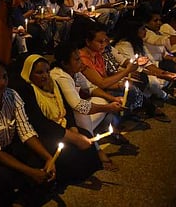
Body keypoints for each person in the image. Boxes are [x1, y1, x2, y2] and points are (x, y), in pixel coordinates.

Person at [0, 58, 56, 207]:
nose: (3, 82)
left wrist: (49, 158)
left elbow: (25, 130)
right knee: (5, 178)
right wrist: (30, 172)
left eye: (5, 77)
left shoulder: (12, 95)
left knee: (42, 163)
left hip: (10, 146)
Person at [12, 54, 103, 187]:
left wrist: (74, 130)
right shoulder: (26, 91)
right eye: (39, 72)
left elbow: (66, 109)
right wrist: (72, 137)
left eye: (47, 71)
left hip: (62, 127)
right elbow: (40, 122)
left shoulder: (53, 84)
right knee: (68, 151)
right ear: (29, 73)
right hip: (45, 133)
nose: (45, 76)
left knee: (86, 135)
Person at [51, 41, 126, 171]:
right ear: (64, 63)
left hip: (79, 119)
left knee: (101, 100)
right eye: (76, 59)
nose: (81, 62)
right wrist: (109, 108)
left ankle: (90, 134)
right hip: (64, 119)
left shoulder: (73, 71)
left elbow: (91, 88)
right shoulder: (60, 76)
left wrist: (113, 99)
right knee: (82, 111)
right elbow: (79, 106)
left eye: (80, 58)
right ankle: (97, 150)